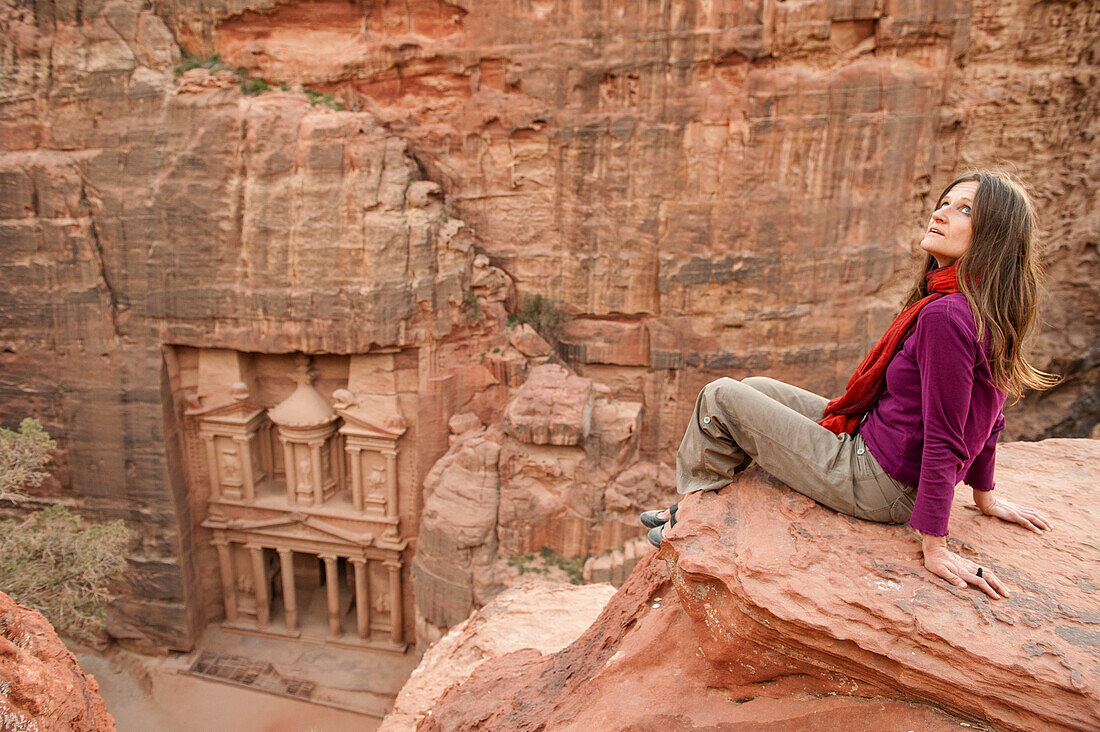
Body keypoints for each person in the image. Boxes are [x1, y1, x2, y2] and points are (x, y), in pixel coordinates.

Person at [641, 170, 1059, 599]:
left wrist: (935, 544)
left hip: (881, 483)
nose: (940, 213)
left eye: (963, 209)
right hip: (876, 444)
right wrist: (984, 496)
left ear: (994, 236)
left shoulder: (946, 316)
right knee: (757, 386)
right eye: (945, 202)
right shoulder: (983, 306)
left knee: (720, 397)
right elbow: (991, 414)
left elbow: (948, 434)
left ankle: (694, 516)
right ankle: (712, 503)